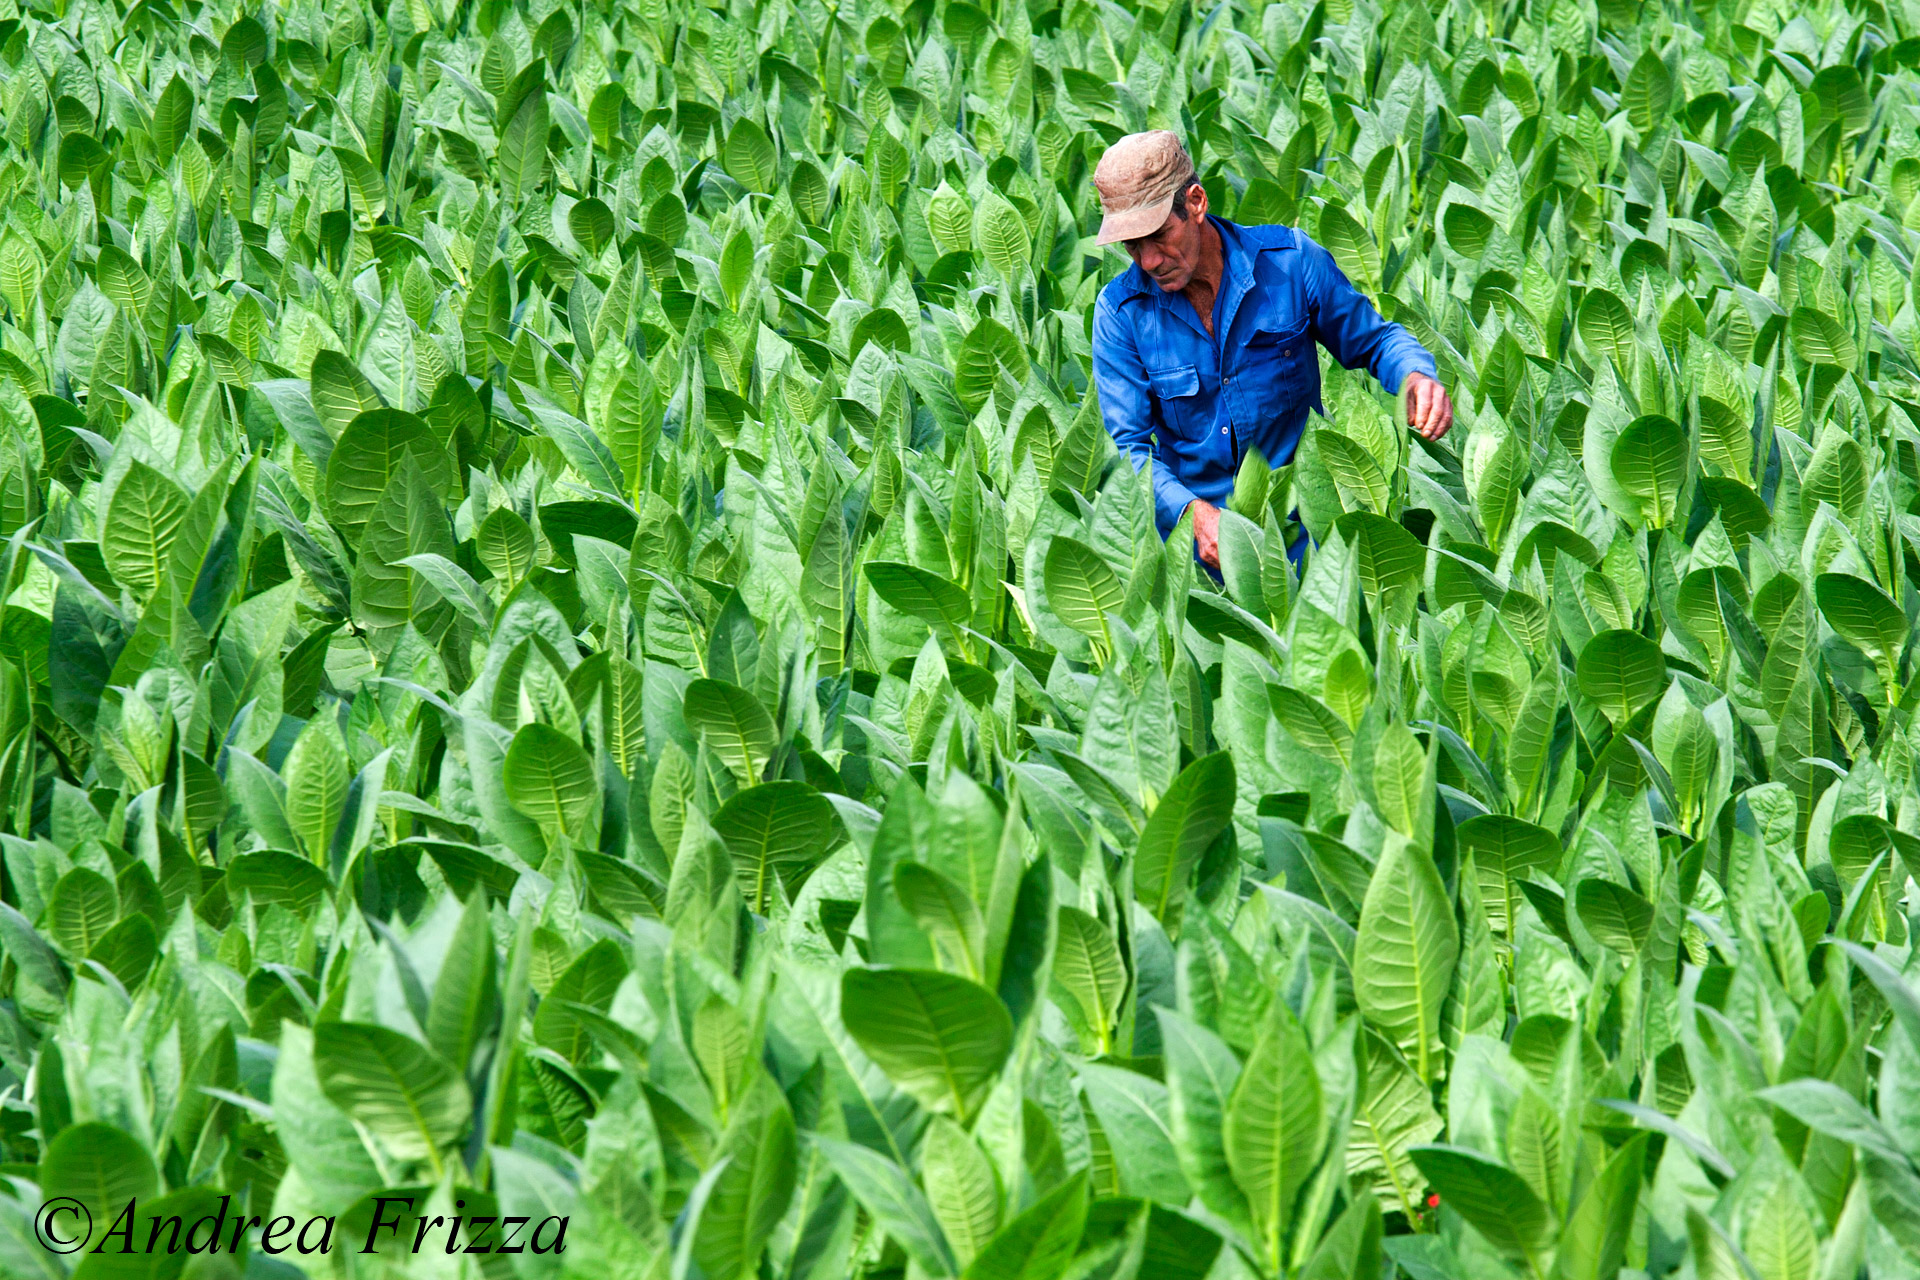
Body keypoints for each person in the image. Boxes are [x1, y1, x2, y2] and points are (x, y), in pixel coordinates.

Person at [1088, 131, 1453, 569]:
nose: (1148, 261)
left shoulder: (1291, 263)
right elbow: (1128, 447)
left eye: (1159, 234)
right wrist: (1193, 513)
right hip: (1199, 551)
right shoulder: (1120, 312)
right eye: (1132, 245)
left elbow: (1375, 341)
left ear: (1197, 202)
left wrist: (1415, 375)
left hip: (1308, 533)